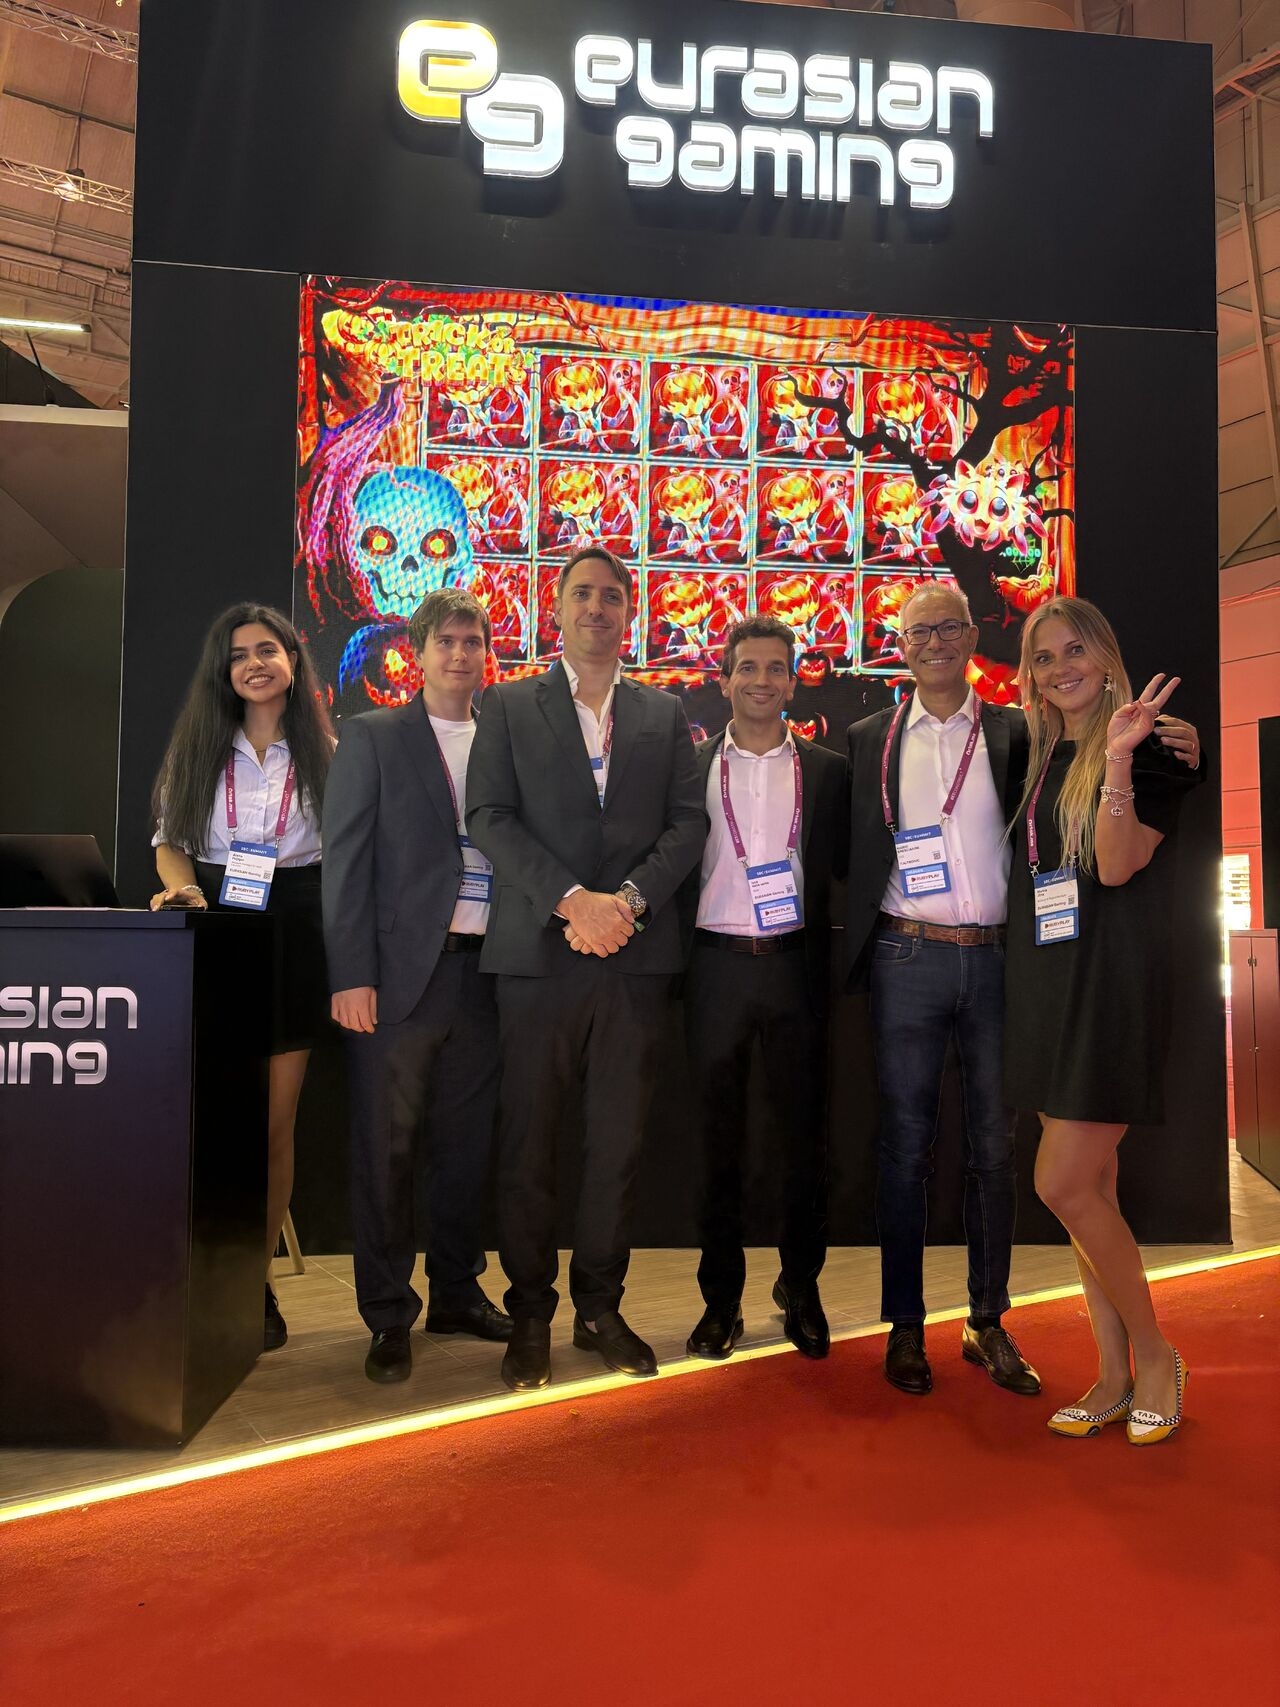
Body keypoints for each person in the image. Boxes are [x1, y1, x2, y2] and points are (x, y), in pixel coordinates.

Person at [844, 584, 1201, 1401]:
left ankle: (1015, 1327)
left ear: (974, 636)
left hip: (1043, 971)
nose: (935, 641)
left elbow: (1119, 846)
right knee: (926, 1154)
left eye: (1074, 649)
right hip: (974, 967)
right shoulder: (905, 740)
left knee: (1023, 1164)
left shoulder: (1019, 734)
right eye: (1044, 656)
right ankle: (1080, 1366)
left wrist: (1164, 747)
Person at [466, 544, 707, 1392]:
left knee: (617, 1145)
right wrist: (574, 902)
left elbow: (687, 824)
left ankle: (600, 1308)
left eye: (611, 596)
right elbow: (488, 815)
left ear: (628, 612)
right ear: (558, 607)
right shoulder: (507, 704)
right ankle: (530, 1313)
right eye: (582, 594)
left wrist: (626, 904)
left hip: (634, 962)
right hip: (539, 956)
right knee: (529, 1142)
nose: (597, 607)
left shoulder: (664, 714)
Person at [1004, 597, 1202, 1445]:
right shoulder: (1037, 753)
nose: (1060, 668)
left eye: (1073, 649)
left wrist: (1118, 757)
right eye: (1044, 657)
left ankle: (1156, 1356)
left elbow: (1117, 868)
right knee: (1095, 1191)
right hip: (1049, 983)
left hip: (1113, 985)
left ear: (1106, 654)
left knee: (1063, 1183)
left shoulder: (1153, 748)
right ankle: (1114, 1372)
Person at [322, 588, 513, 1384]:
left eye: (473, 641)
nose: (461, 654)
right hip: (399, 978)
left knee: (466, 1148)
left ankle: (458, 1291)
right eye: (447, 641)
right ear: (419, 651)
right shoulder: (374, 737)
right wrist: (351, 975)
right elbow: (345, 862)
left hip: (488, 972)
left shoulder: (506, 736)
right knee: (388, 1150)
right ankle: (387, 1312)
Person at [150, 602, 333, 1352]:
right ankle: (198, 1279)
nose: (254, 664)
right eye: (238, 655)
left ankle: (251, 1285)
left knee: (272, 1125)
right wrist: (183, 889)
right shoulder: (199, 748)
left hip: (297, 928)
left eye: (267, 650)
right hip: (218, 921)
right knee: (210, 1120)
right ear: (222, 672)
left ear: (292, 660)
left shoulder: (329, 750)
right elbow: (169, 843)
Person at [681, 617, 848, 1362]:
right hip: (713, 966)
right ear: (723, 681)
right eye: (746, 667)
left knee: (801, 1141)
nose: (760, 680)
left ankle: (800, 1288)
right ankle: (721, 1300)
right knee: (714, 1143)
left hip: (794, 966)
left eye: (775, 668)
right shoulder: (689, 770)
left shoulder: (827, 771)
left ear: (792, 681)